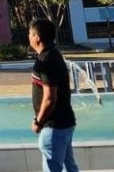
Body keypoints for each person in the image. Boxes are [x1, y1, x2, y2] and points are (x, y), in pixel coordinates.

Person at [29, 18, 79, 172]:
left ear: (37, 37)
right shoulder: (53, 54)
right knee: (68, 168)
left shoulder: (47, 60)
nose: (28, 37)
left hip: (54, 126)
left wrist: (38, 121)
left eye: (30, 34)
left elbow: (50, 97)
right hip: (63, 123)